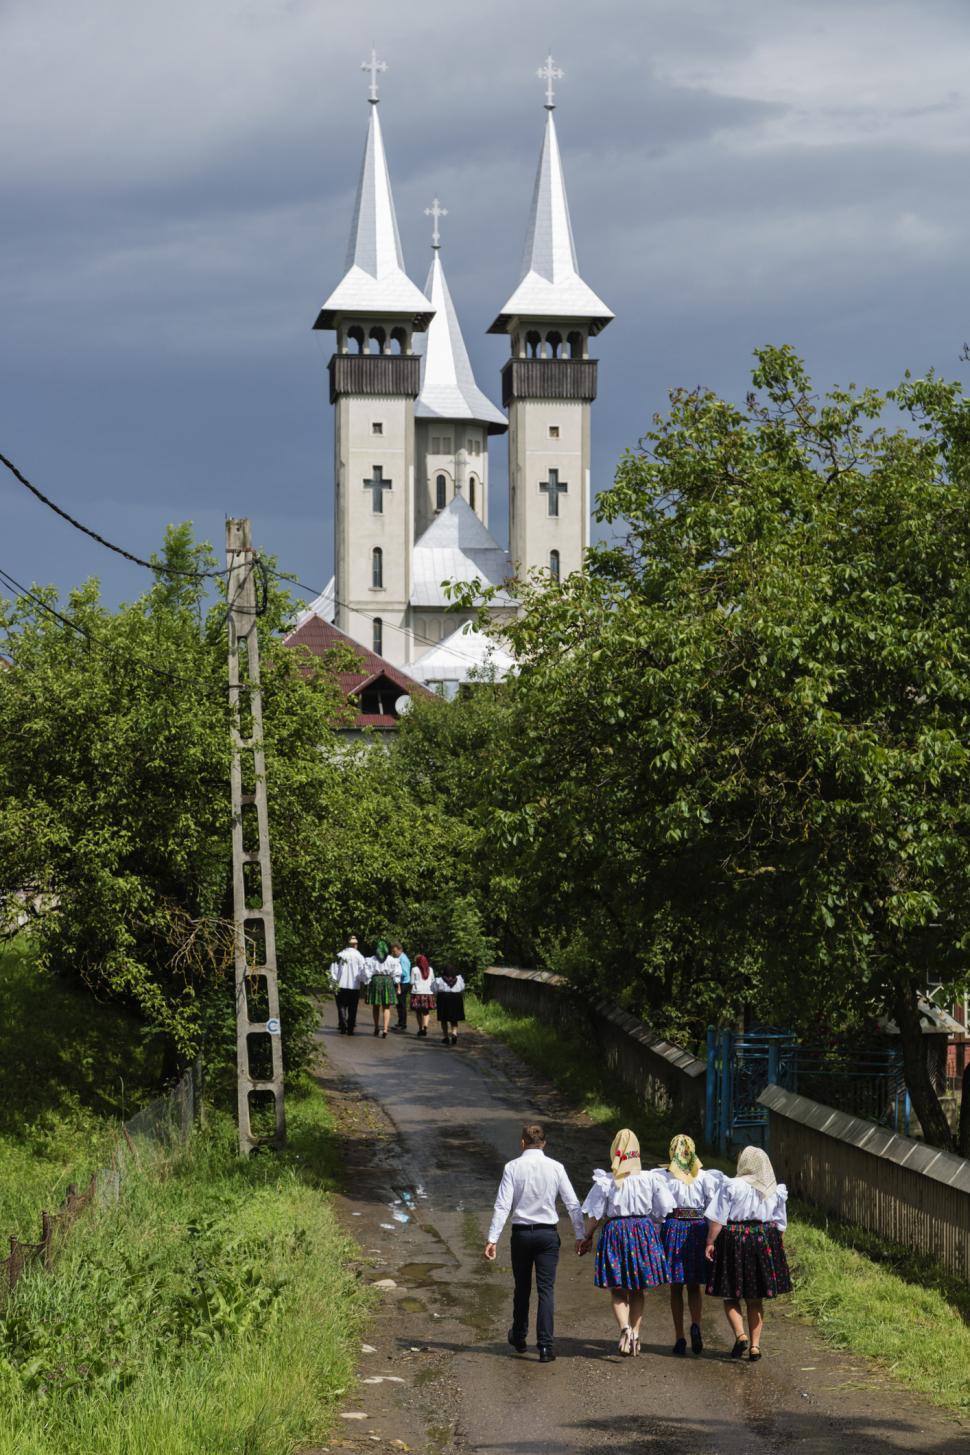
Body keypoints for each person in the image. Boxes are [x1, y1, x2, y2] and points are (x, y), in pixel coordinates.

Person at [484, 1123, 586, 1364]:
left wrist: (492, 1238)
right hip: (547, 1235)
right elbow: (572, 1203)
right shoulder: (556, 1168)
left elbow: (503, 1205)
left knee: (522, 1287)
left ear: (522, 1143)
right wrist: (580, 1234)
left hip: (521, 1234)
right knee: (546, 1290)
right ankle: (545, 1347)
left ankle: (519, 1336)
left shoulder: (512, 1167)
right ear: (544, 1143)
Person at [579, 1128, 673, 1357]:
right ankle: (636, 1334)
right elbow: (663, 1209)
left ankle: (624, 1329)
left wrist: (586, 1236)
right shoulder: (651, 1179)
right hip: (642, 1231)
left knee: (618, 1288)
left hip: (616, 1233)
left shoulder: (606, 1181)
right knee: (638, 1288)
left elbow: (595, 1215)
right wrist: (653, 1225)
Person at [704, 1144, 792, 1362]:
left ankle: (740, 1335)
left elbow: (718, 1218)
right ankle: (755, 1346)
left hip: (733, 1241)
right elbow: (780, 1225)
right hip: (762, 1240)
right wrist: (772, 1249)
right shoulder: (774, 1190)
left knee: (730, 1294)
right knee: (755, 1298)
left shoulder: (732, 1186)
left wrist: (710, 1242)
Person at [656, 1133, 725, 1356]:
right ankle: (695, 1324)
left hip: (673, 1227)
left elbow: (659, 1208)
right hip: (697, 1228)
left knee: (676, 1287)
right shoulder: (705, 1177)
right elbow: (712, 1208)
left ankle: (679, 1337)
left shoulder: (664, 1177)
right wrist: (711, 1239)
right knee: (694, 1285)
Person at [364, 939, 401, 1039]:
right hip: (387, 981)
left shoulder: (372, 959)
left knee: (376, 1006)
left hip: (375, 981)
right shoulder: (392, 959)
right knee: (386, 1007)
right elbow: (396, 973)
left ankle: (376, 1027)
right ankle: (385, 1029)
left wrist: (367, 983)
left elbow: (367, 973)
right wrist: (397, 984)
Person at [329, 934, 365, 1036]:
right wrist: (364, 981)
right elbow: (363, 972)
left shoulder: (339, 955)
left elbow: (332, 971)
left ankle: (343, 1025)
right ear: (356, 945)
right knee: (353, 1008)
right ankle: (350, 1028)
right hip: (354, 987)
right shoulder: (359, 957)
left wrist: (333, 985)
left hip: (341, 985)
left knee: (341, 1006)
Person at [434, 966, 465, 1045]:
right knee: (454, 1018)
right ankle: (454, 1032)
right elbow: (462, 988)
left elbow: (434, 989)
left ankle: (446, 1037)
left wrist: (436, 995)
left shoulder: (439, 980)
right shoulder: (459, 979)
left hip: (443, 999)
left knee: (444, 1019)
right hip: (456, 999)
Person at [409, 953, 436, 1037]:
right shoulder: (430, 969)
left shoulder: (414, 969)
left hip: (417, 993)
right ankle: (425, 1027)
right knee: (426, 1012)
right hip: (428, 993)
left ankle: (420, 1028)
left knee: (418, 1012)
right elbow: (433, 981)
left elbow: (412, 982)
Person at [393, 942, 412, 1031]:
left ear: (400, 950)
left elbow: (404, 973)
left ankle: (402, 1024)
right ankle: (400, 1022)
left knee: (402, 1004)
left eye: (395, 951)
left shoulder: (403, 959)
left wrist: (394, 973)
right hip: (401, 983)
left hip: (404, 983)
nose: (394, 953)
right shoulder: (400, 958)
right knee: (399, 1004)